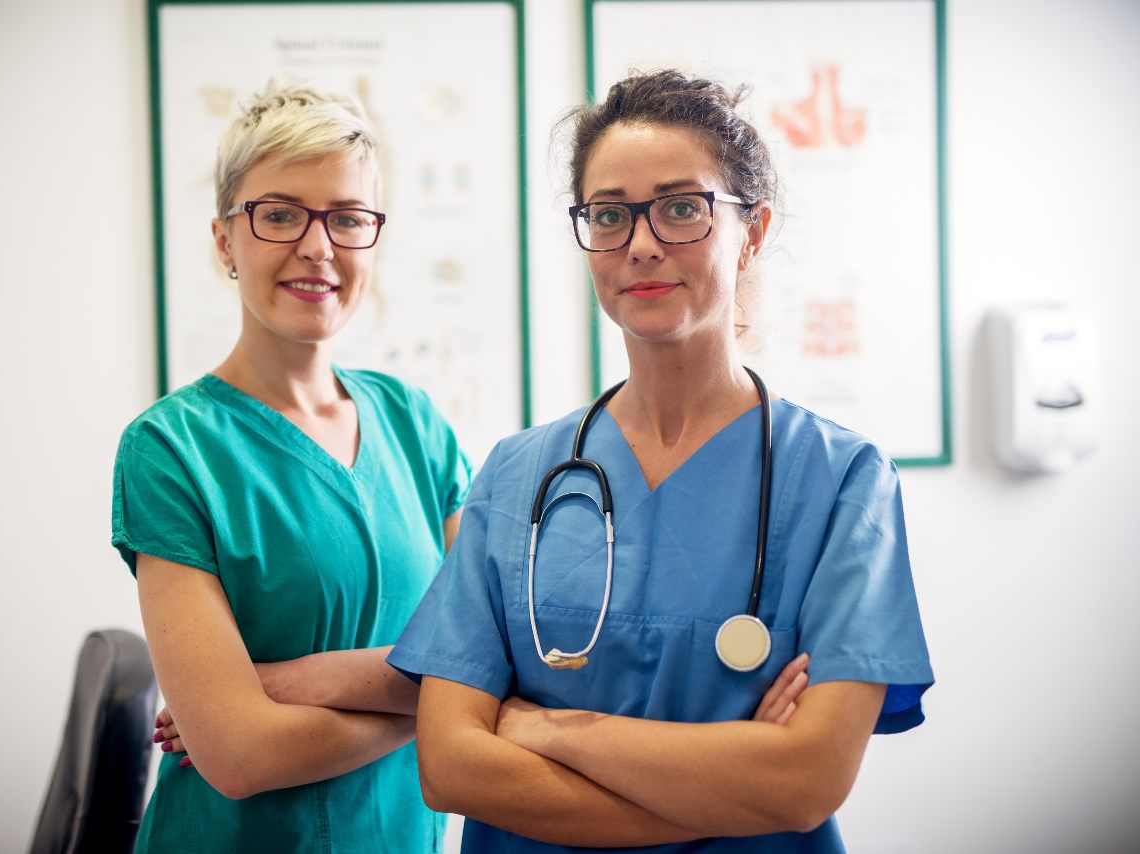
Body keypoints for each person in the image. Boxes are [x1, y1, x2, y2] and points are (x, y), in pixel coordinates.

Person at [388, 69, 934, 852]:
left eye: (682, 208)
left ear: (753, 231)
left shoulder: (843, 481)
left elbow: (806, 781)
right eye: (609, 215)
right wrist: (734, 785)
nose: (641, 244)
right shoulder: (515, 477)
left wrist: (550, 728)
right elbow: (449, 766)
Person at [111, 79, 470, 853]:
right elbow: (239, 755)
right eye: (279, 215)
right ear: (223, 240)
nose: (318, 246)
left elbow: (496, 655)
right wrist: (435, 703)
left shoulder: (416, 425)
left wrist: (285, 681)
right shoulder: (171, 449)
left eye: (347, 218)